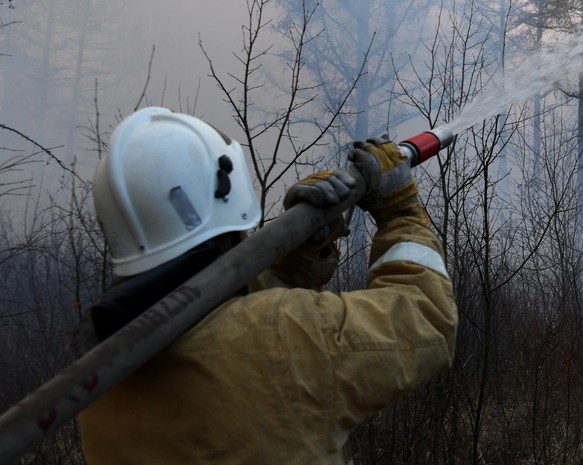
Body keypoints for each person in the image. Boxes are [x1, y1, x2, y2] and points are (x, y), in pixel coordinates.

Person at [78, 107, 457, 464]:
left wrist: (301, 251)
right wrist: (400, 210)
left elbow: (229, 331)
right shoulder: (282, 333)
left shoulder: (99, 374)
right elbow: (426, 317)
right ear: (227, 191)